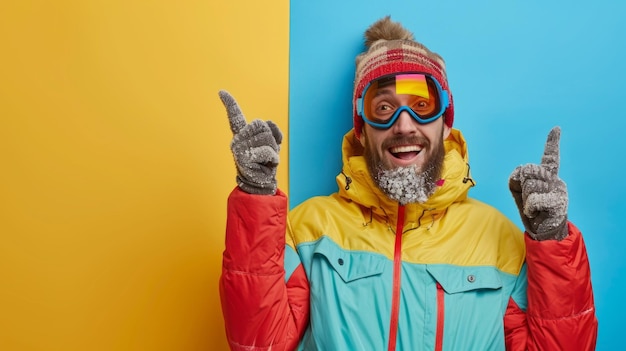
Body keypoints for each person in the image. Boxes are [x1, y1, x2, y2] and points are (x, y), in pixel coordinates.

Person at [218, 16, 598, 351]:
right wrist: (256, 197)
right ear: (362, 130)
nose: (403, 124)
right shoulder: (306, 230)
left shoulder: (500, 242)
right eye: (383, 108)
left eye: (421, 107)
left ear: (446, 124)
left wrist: (553, 241)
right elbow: (259, 344)